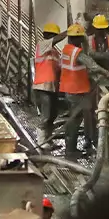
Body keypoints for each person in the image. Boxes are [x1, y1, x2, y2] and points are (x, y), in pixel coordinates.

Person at [57, 23, 95, 160]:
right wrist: (105, 72)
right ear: (78, 39)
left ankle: (71, 148)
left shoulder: (66, 49)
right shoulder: (77, 52)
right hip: (76, 91)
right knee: (76, 119)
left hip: (68, 90)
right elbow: (92, 65)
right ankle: (71, 151)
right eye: (80, 38)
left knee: (73, 119)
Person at [30, 22, 61, 141]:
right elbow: (57, 39)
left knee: (53, 114)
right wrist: (70, 30)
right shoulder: (41, 45)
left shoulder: (55, 52)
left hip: (52, 87)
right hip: (42, 87)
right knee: (46, 116)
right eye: (53, 36)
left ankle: (48, 139)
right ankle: (41, 142)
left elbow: (59, 68)